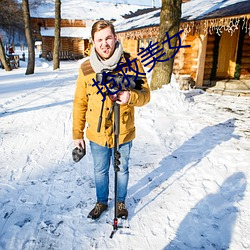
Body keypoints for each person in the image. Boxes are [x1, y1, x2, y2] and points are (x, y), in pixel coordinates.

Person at [72, 20, 150, 220]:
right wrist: (77, 134)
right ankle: (101, 202)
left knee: (122, 168)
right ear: (93, 42)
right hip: (97, 133)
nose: (104, 43)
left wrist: (130, 97)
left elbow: (146, 95)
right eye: (99, 40)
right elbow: (80, 102)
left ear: (115, 38)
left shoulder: (132, 63)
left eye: (108, 38)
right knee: (100, 170)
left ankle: (121, 202)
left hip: (123, 130)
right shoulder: (87, 68)